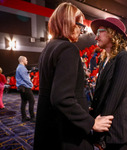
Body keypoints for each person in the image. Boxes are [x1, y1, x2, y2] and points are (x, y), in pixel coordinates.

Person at [33, 2, 113, 150]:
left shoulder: (49, 48)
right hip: (66, 133)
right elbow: (61, 97)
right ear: (69, 23)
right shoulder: (68, 48)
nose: (81, 31)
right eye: (80, 26)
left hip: (49, 129)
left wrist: (82, 107)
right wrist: (91, 123)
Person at [90, 17, 127, 150]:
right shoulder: (105, 60)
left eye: (100, 31)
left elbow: (114, 97)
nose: (96, 37)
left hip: (117, 130)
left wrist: (100, 134)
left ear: (113, 33)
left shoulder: (125, 57)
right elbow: (101, 93)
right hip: (105, 127)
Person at [15, 56, 35, 122]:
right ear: (23, 60)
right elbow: (26, 79)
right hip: (26, 88)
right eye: (26, 60)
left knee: (24, 102)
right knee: (32, 101)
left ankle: (24, 117)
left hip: (21, 88)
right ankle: (32, 117)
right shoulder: (22, 68)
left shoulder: (18, 67)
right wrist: (31, 85)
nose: (27, 61)